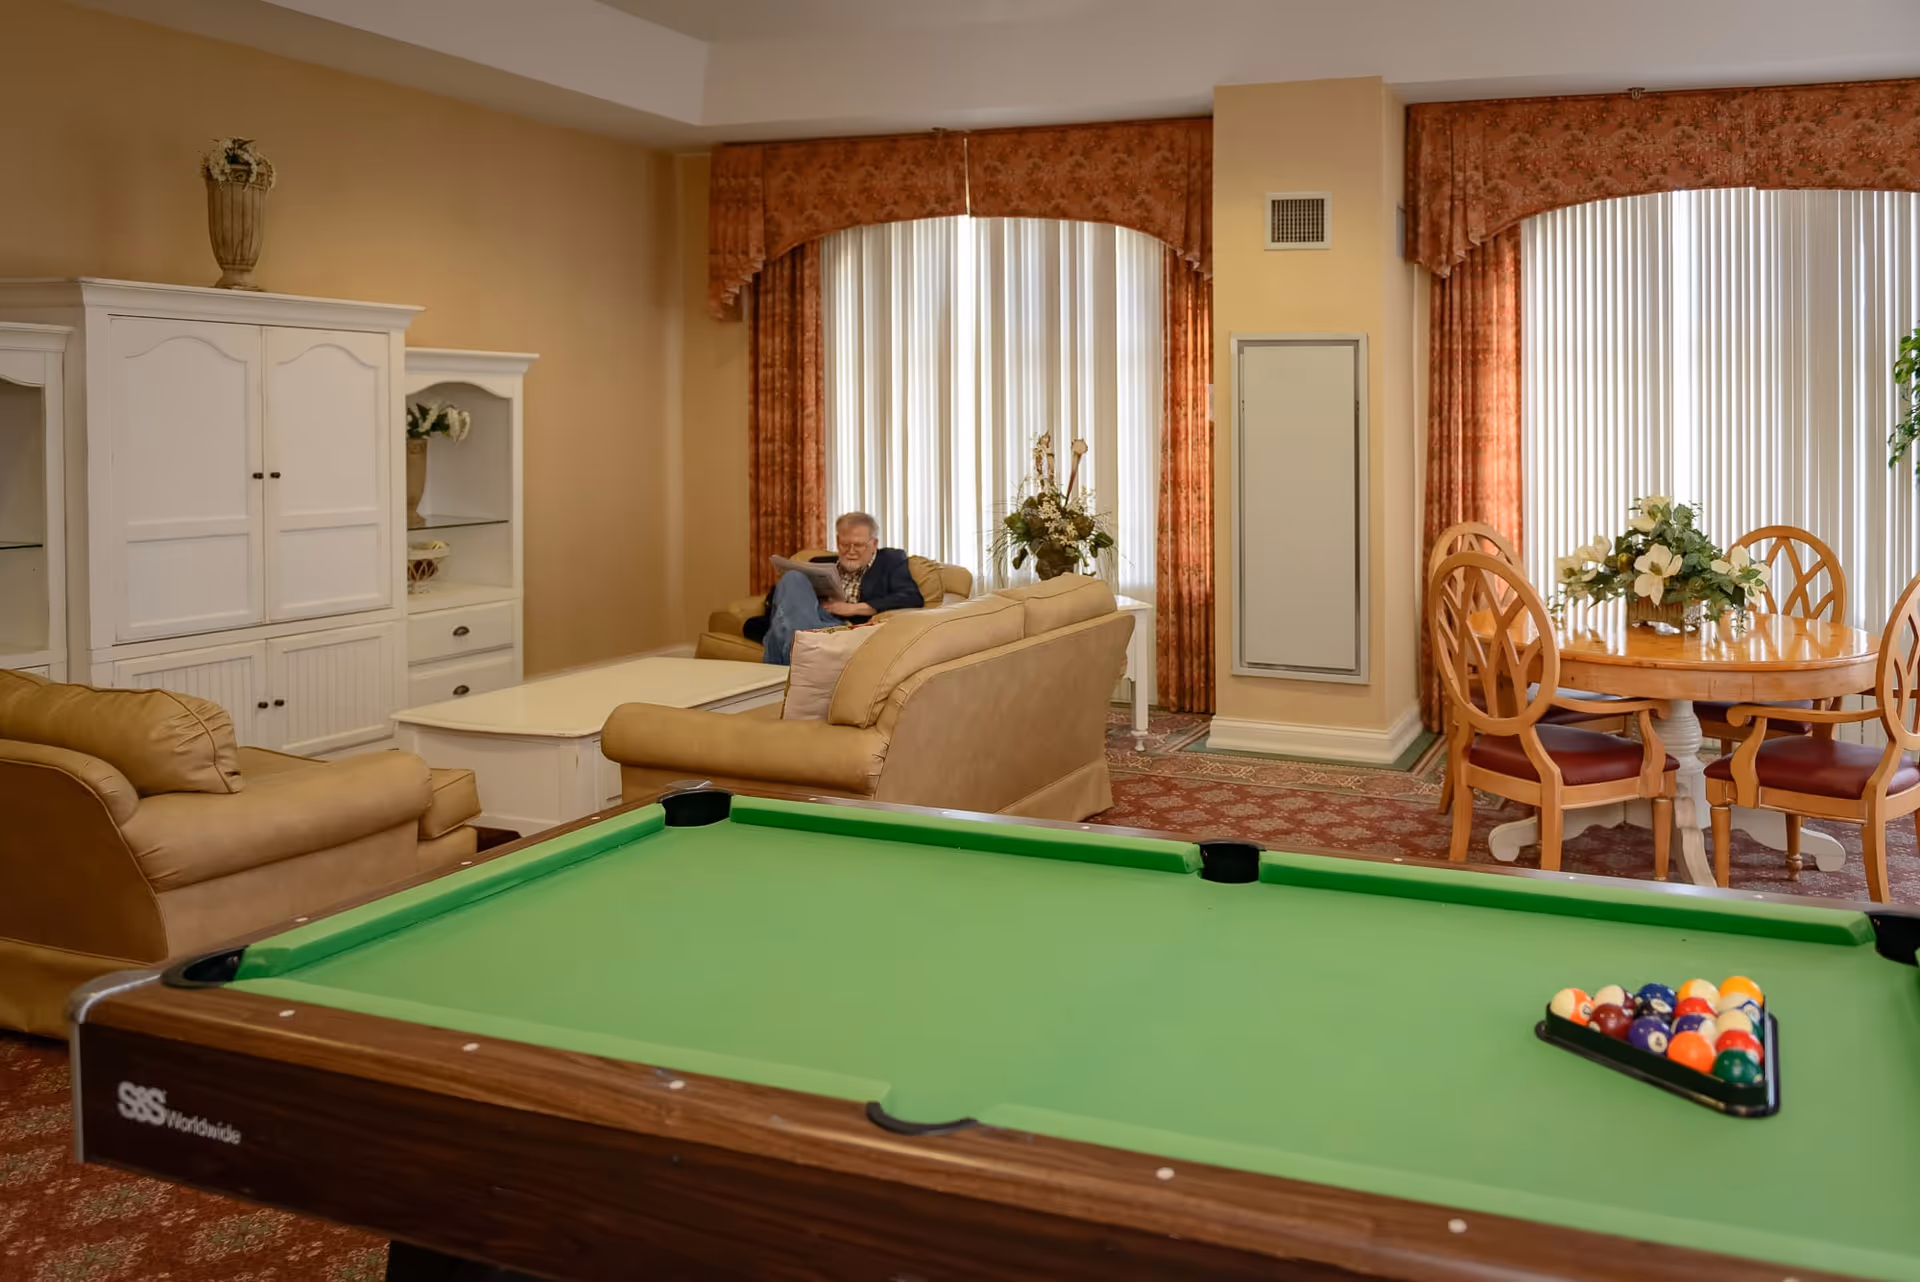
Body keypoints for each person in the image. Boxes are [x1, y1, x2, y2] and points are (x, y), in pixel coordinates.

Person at [752, 512, 924, 664]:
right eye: (844, 544)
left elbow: (911, 597)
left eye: (858, 545)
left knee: (775, 632)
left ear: (874, 544)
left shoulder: (891, 561)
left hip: (842, 626)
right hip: (813, 620)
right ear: (837, 540)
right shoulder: (819, 563)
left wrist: (853, 608)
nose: (850, 551)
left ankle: (788, 650)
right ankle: (798, 649)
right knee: (793, 578)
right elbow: (780, 602)